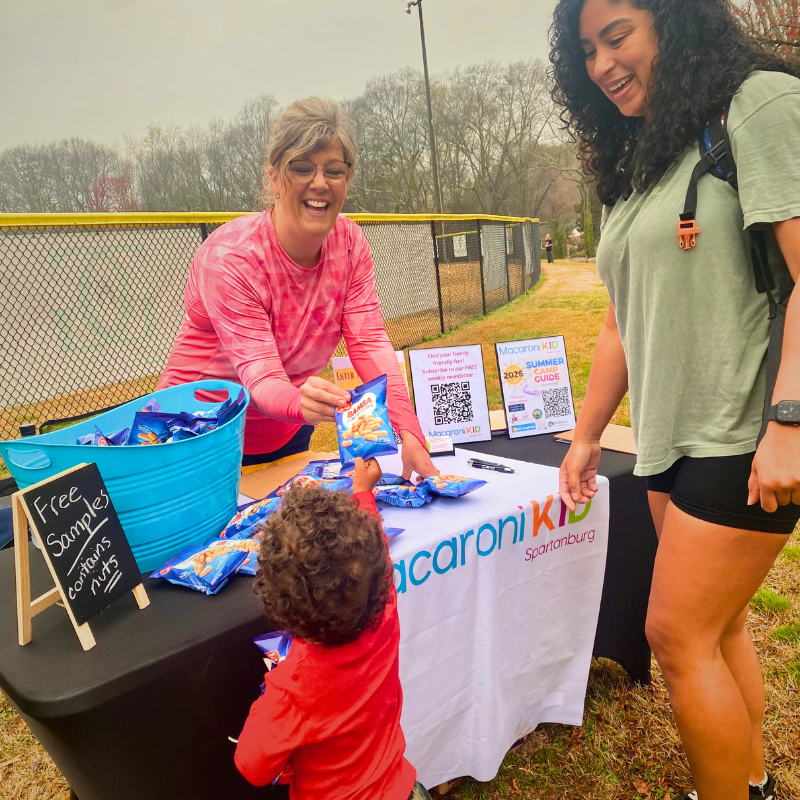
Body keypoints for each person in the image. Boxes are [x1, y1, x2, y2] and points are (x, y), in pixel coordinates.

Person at [550, 1, 800, 799]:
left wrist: (791, 422)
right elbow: (624, 320)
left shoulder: (755, 103)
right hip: (667, 440)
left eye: (616, 37)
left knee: (674, 633)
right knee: (716, 627)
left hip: (746, 432)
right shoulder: (634, 161)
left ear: (675, 22)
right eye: (585, 50)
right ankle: (752, 782)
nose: (601, 64)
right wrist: (589, 434)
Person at [157, 97, 437, 480]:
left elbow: (369, 341)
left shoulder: (351, 243)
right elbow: (261, 375)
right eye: (301, 168)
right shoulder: (231, 256)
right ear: (273, 176)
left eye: (334, 171)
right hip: (197, 433)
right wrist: (300, 402)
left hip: (287, 429)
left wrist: (408, 428)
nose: (319, 183)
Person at [234, 457, 432, 800]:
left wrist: (268, 695)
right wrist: (362, 492)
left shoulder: (292, 686)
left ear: (279, 608)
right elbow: (378, 558)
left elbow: (252, 766)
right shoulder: (384, 616)